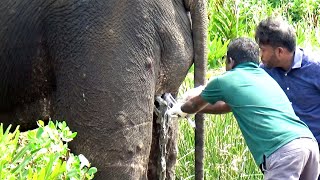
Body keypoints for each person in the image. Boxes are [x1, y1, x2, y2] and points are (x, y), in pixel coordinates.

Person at [168, 37, 319, 179]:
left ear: (230, 61)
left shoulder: (225, 80)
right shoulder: (266, 76)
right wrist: (196, 109)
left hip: (284, 151)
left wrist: (178, 109)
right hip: (308, 144)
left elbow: (193, 104)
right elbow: (226, 106)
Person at [255, 16, 320, 148]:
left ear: (279, 51)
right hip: (285, 151)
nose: (260, 56)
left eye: (263, 50)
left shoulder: (315, 68)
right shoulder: (265, 72)